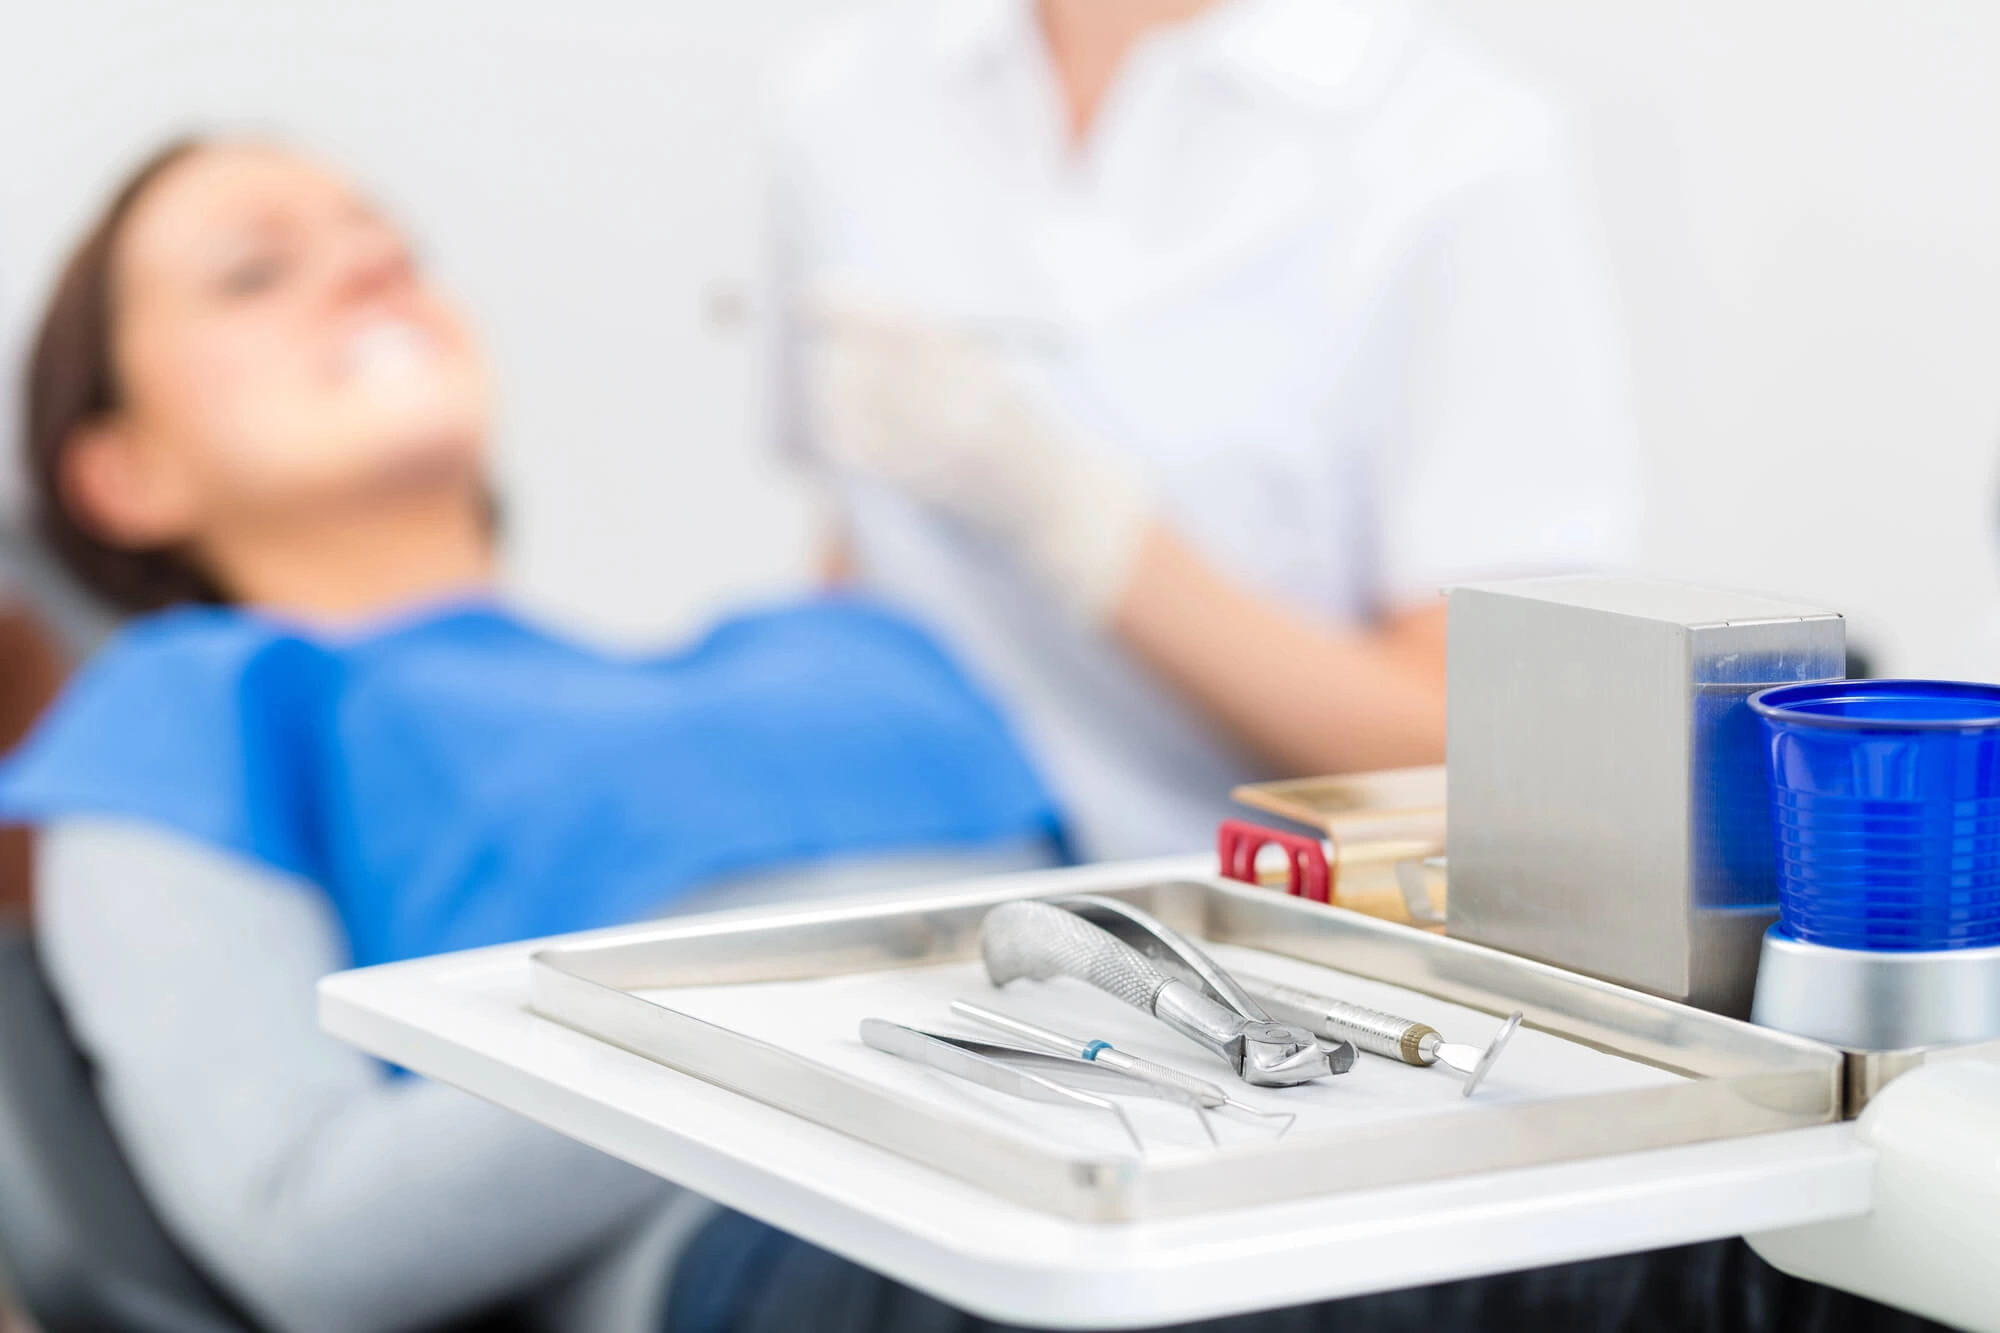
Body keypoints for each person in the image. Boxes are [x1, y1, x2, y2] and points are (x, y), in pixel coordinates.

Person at [0, 138, 1062, 1333]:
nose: (366, 272)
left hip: (1204, 1176)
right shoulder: (195, 698)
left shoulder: (848, 646)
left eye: (392, 251)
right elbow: (307, 1229)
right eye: (255, 273)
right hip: (841, 1264)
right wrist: (832, 1004)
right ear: (126, 471)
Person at [771, 0, 1641, 860]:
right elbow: (856, 558)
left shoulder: (1456, 147)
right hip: (910, 875)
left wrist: (1095, 539)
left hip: (1249, 927)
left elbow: (1492, 763)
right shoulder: (850, 89)